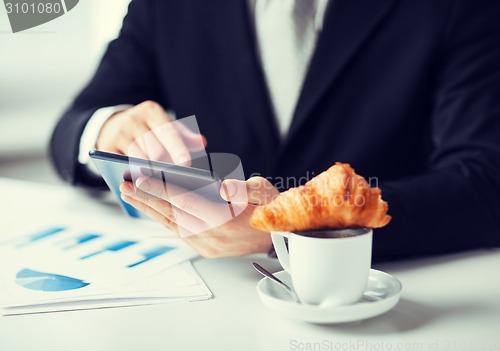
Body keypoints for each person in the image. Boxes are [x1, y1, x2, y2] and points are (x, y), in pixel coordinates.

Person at [51, 0, 500, 260]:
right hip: (210, 303)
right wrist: (109, 127)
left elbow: (486, 182)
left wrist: (289, 225)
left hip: (393, 291)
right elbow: (73, 126)